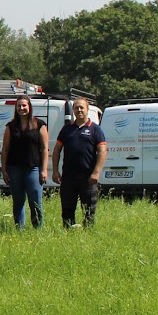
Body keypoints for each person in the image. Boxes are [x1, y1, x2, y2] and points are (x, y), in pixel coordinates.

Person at [53, 95, 107, 228]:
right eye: (76, 108)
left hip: (88, 178)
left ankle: (88, 236)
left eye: (81, 107)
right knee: (67, 210)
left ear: (87, 109)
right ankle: (67, 234)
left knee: (89, 211)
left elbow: (102, 151)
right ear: (73, 110)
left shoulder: (95, 129)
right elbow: (56, 150)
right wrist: (55, 171)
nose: (79, 110)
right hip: (68, 178)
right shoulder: (67, 129)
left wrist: (96, 173)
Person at [0, 95, 49, 228]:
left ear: (29, 107)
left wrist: (44, 169)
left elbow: (45, 148)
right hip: (14, 168)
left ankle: (37, 228)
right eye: (19, 106)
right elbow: (5, 149)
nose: (22, 108)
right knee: (18, 201)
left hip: (33, 168)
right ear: (16, 108)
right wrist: (4, 170)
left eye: (24, 105)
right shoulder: (11, 126)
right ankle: (19, 229)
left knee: (35, 202)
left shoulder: (39, 125)